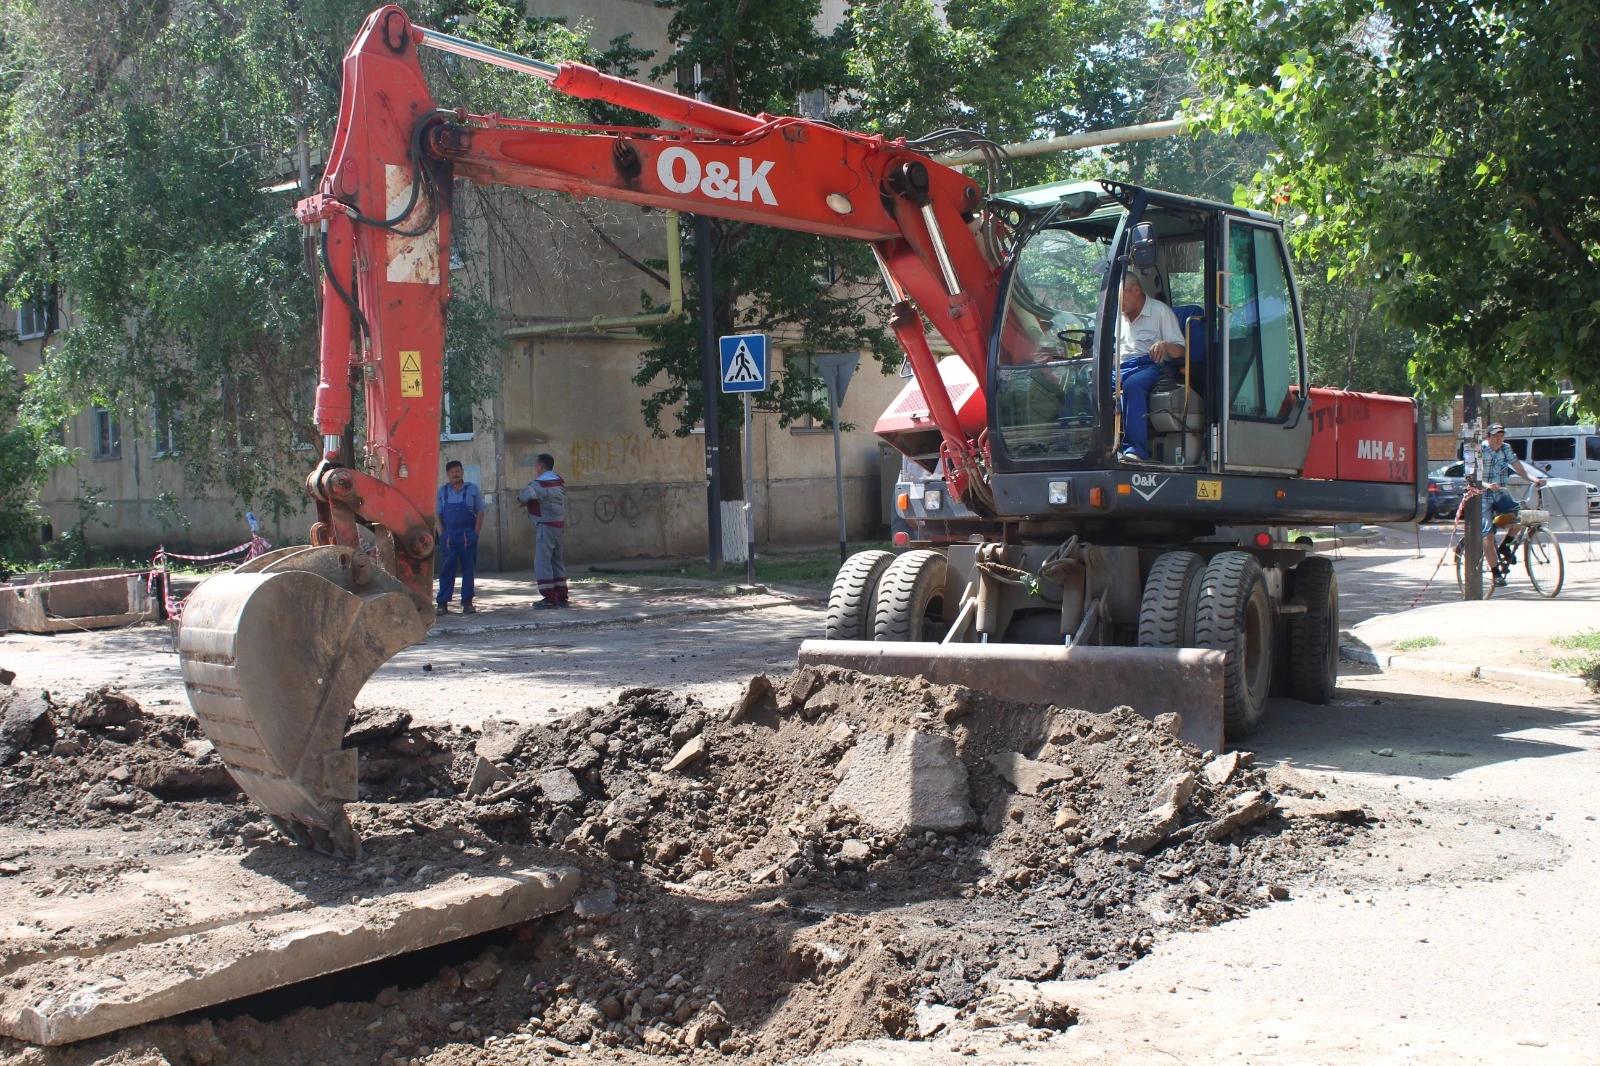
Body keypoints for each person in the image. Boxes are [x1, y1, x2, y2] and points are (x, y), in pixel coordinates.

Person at [1114, 274, 1187, 460]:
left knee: (1132, 385)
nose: (1118, 303)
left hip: (1153, 365)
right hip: (1122, 365)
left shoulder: (1160, 312)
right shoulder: (1118, 317)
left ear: (1136, 290)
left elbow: (1180, 351)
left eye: (1121, 297)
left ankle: (1135, 450)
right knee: (1090, 381)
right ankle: (1095, 445)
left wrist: (1164, 344)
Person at [1478, 423, 1547, 587]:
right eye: (1495, 436)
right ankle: (1496, 573)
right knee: (1487, 535)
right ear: (1487, 437)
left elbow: (1520, 470)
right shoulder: (1479, 450)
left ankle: (1504, 546)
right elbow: (1470, 476)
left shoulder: (1505, 449)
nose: (1499, 439)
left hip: (1500, 494)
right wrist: (1487, 485)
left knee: (1522, 517)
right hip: (1481, 497)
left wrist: (1535, 480)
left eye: (1501, 436)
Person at [435, 460, 485, 615]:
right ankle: (442, 604)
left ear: (462, 472)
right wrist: (441, 534)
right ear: (448, 475)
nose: (455, 474)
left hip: (467, 535)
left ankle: (468, 603)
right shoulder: (442, 492)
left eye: (457, 471)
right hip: (449, 537)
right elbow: (436, 515)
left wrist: (475, 533)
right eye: (452, 472)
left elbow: (480, 512)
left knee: (468, 570)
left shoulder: (473, 490)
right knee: (446, 571)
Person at [518, 454, 568, 609]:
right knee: (556, 560)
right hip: (558, 525)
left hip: (545, 524)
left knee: (542, 561)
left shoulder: (540, 483)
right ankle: (561, 596)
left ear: (541, 466)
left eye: (536, 465)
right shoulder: (558, 481)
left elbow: (523, 496)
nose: (535, 468)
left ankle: (549, 597)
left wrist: (523, 500)